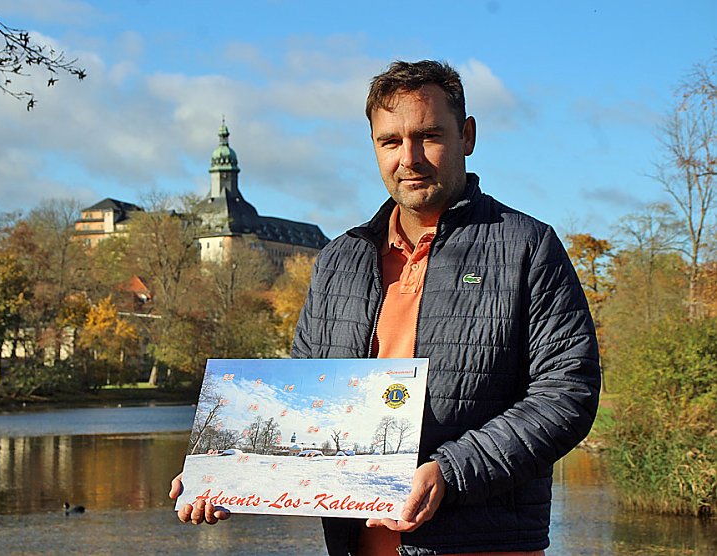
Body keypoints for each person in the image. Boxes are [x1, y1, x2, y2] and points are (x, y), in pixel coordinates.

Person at [171, 59, 600, 556]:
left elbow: (567, 392)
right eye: (390, 141)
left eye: (429, 136)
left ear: (467, 135)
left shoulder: (527, 246)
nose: (409, 158)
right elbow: (304, 399)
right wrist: (227, 468)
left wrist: (451, 472)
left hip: (483, 545)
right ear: (374, 147)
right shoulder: (339, 259)